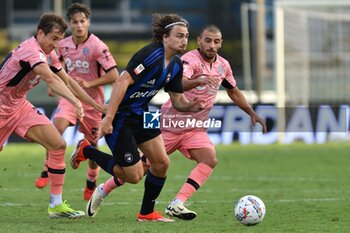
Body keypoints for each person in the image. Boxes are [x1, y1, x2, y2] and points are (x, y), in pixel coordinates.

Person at [84, 24, 268, 220]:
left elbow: (233, 90)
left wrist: (251, 112)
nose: (212, 45)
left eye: (216, 42)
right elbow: (179, 84)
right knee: (140, 170)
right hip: (169, 123)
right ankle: (103, 189)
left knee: (208, 159)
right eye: (207, 40)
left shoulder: (223, 65)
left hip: (195, 127)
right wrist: (200, 80)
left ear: (221, 43)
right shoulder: (187, 60)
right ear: (199, 41)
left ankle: (176, 203)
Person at [69, 13, 203, 222]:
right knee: (133, 176)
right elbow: (122, 81)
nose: (184, 40)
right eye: (179, 35)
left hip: (144, 113)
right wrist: (108, 117)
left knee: (161, 163)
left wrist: (191, 106)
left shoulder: (176, 64)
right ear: (165, 37)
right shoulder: (150, 54)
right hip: (121, 117)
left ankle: (146, 213)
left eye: (186, 36)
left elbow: (177, 99)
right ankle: (87, 150)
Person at [0, 13, 104, 218]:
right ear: (40, 33)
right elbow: (51, 79)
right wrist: (74, 102)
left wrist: (93, 104)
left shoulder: (48, 53)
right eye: (54, 39)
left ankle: (55, 205)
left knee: (57, 144)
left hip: (18, 107)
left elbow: (68, 80)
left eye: (59, 39)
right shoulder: (32, 51)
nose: (56, 45)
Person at [34, 3, 118, 202]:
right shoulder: (63, 43)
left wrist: (90, 82)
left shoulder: (98, 46)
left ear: (88, 22)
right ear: (70, 24)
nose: (79, 25)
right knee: (56, 128)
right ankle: (47, 170)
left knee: (93, 144)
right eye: (75, 22)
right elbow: (58, 60)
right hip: (69, 97)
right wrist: (53, 80)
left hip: (93, 101)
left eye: (82, 21)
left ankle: (91, 180)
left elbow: (114, 75)